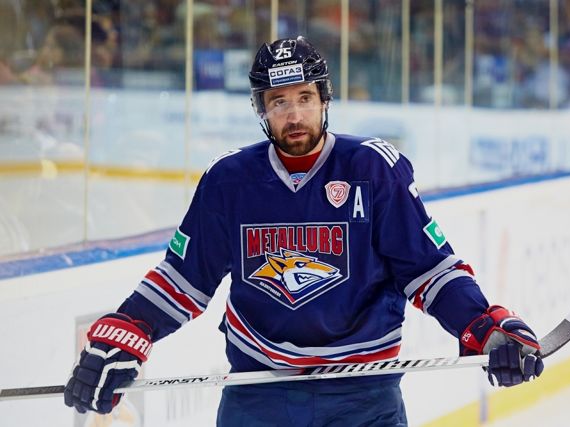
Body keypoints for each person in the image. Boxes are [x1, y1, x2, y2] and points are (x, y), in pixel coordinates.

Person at [64, 36, 544, 426]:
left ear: (324, 99)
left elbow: (429, 270)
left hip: (363, 395)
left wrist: (482, 324)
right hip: (258, 393)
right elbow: (183, 278)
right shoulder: (229, 181)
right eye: (279, 102)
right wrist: (129, 329)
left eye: (304, 99)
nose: (294, 116)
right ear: (261, 109)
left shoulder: (373, 169)